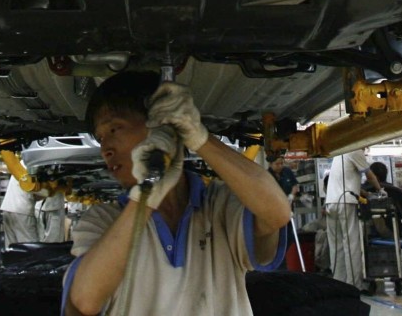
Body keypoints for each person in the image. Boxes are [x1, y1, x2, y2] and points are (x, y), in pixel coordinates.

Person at [62, 71, 290, 316]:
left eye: (114, 129)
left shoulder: (218, 207)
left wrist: (198, 136)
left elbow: (277, 214)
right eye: (100, 138)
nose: (105, 148)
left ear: (161, 126)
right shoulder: (102, 221)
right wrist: (146, 197)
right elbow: (84, 301)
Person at [324, 149, 383, 291]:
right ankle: (353, 285)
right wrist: (380, 190)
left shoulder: (339, 153)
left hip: (331, 202)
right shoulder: (355, 150)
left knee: (336, 246)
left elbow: (347, 180)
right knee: (351, 244)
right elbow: (370, 176)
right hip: (345, 201)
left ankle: (339, 283)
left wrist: (365, 193)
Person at [1, 175, 40, 245]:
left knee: (12, 247)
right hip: (22, 209)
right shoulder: (33, 166)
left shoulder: (20, 165)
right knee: (30, 246)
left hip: (8, 207)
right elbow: (39, 191)